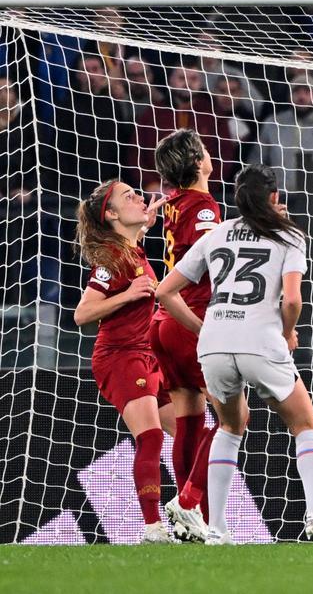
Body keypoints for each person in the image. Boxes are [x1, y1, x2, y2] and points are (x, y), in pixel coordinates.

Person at [155, 164, 313, 545]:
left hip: (214, 343)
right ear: (275, 198)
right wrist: (286, 331)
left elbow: (164, 291)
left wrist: (203, 330)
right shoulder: (289, 235)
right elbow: (293, 299)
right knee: (304, 424)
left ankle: (217, 530)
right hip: (260, 340)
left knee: (229, 428)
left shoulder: (217, 233)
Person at [72, 179, 174, 544]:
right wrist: (128, 295)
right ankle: (152, 527)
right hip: (120, 356)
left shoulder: (134, 250)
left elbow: (137, 231)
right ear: (111, 214)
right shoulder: (111, 259)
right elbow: (82, 314)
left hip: (148, 355)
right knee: (150, 438)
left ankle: (190, 509)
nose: (139, 198)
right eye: (128, 196)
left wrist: (147, 220)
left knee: (192, 434)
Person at [148, 130, 224, 543]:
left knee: (190, 423)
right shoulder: (203, 205)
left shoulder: (174, 205)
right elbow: (208, 263)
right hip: (189, 318)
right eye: (206, 151)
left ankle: (197, 523)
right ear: (198, 163)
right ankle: (189, 501)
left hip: (163, 325)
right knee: (235, 417)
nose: (212, 155)